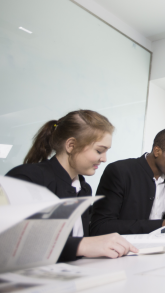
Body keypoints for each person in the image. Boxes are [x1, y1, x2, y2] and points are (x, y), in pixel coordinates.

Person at [6, 110, 138, 261]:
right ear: (71, 145)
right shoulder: (27, 178)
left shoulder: (83, 188)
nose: (104, 159)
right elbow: (16, 242)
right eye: (99, 151)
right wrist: (82, 245)